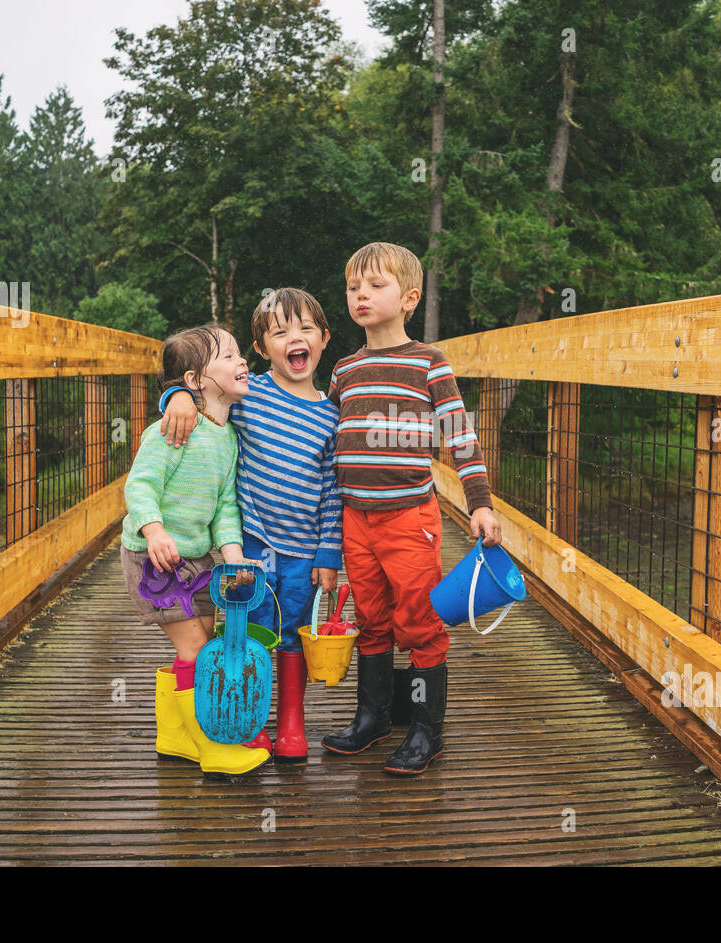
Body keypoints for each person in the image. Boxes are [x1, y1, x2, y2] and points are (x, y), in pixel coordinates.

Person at [322, 241, 502, 775]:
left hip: (409, 518)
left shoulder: (429, 363)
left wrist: (480, 505)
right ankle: (373, 718)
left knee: (420, 622)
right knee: (371, 621)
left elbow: (459, 438)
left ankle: (427, 730)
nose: (362, 295)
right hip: (356, 519)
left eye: (376, 285)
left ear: (409, 298)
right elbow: (326, 437)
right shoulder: (344, 370)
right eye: (354, 287)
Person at [158, 290, 341, 761]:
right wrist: (176, 393)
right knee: (248, 632)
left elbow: (331, 491)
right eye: (279, 333)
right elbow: (205, 388)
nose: (293, 339)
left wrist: (328, 553)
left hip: (304, 550)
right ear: (261, 350)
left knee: (295, 633)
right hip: (252, 548)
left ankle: (291, 725)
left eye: (304, 329)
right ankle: (250, 719)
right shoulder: (250, 393)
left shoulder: (330, 415)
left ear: (323, 339)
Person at [120, 324, 269, 776]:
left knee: (200, 640)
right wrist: (154, 529)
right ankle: (214, 745)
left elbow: (225, 505)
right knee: (200, 650)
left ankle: (175, 737)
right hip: (156, 560)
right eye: (228, 356)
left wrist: (234, 551)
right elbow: (141, 483)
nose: (242, 362)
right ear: (194, 381)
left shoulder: (227, 437)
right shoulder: (173, 426)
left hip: (200, 561)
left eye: (242, 354)